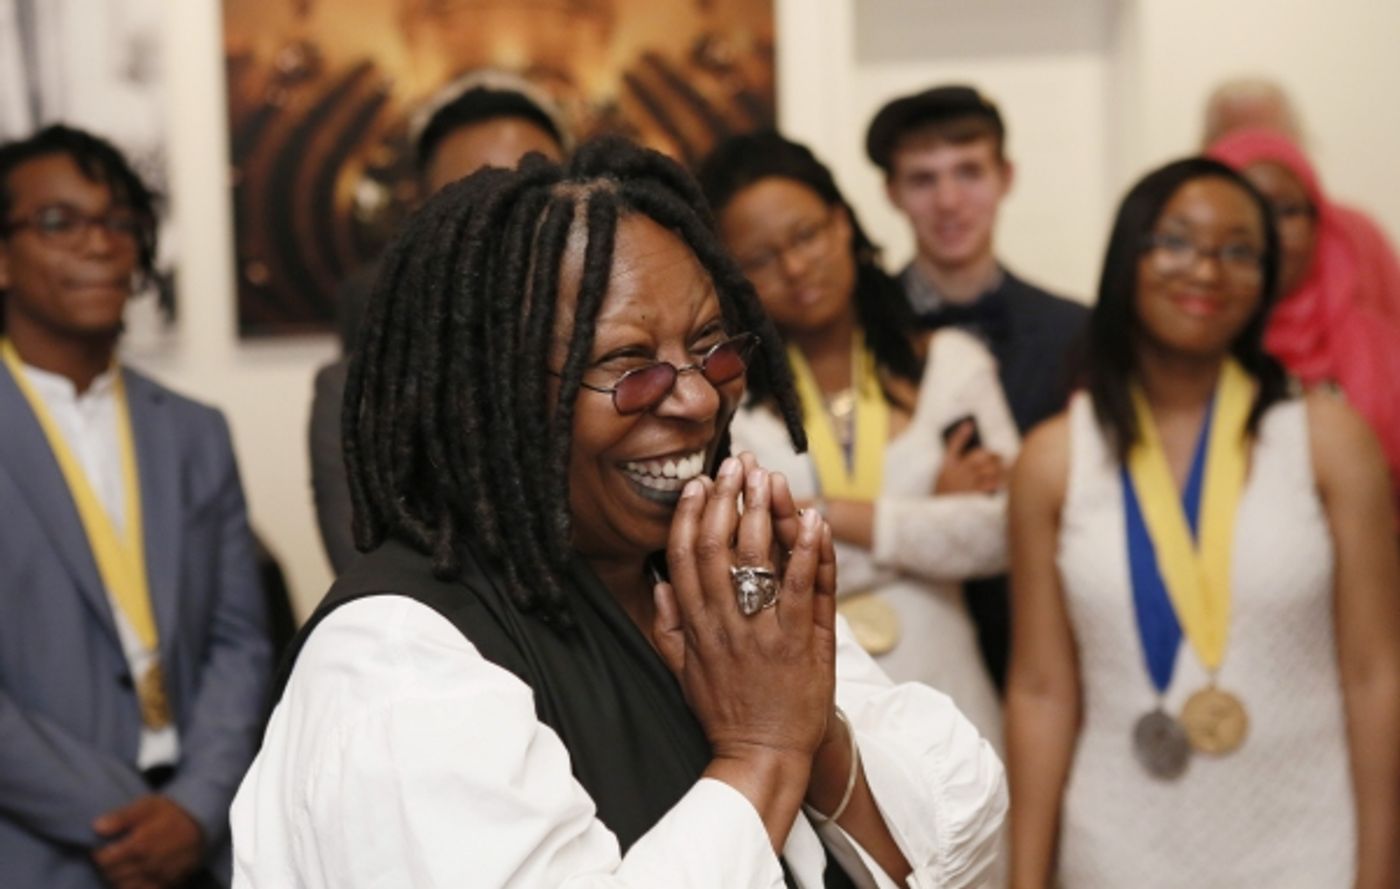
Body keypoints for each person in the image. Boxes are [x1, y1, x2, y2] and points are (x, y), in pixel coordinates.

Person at [234, 137, 1006, 887]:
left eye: (713, 349)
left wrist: (817, 735)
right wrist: (765, 752)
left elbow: (952, 834)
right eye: (630, 369)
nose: (700, 398)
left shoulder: (715, 563)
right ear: (497, 395)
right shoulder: (399, 659)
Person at [1005, 157, 1400, 888]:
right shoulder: (1053, 460)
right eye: (1177, 241)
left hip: (1307, 841)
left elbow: (1376, 672)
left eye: (1239, 250)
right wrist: (1025, 876)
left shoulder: (1327, 440)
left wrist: (1381, 867)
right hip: (1117, 844)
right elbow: (1039, 688)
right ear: (1130, 258)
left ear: (1267, 278)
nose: (1208, 270)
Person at [0, 125, 271, 887]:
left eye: (119, 221)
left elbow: (240, 643)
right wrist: (126, 813)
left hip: (199, 844)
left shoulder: (195, 430)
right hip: (37, 848)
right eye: (59, 222)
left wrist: (194, 807)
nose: (100, 245)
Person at [696, 130, 1017, 752]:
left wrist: (825, 516)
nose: (794, 267)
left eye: (806, 236)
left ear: (843, 224)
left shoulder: (952, 365)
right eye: (761, 259)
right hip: (816, 719)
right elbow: (746, 576)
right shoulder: (725, 408)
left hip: (956, 704)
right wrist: (926, 521)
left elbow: (1003, 534)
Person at [865, 84, 1087, 693]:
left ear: (1006, 176)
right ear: (891, 193)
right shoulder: (851, 335)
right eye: (922, 179)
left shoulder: (1078, 333)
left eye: (969, 172)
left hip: (1046, 632)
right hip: (904, 647)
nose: (949, 201)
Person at [309, 69, 570, 573]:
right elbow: (376, 576)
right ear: (425, 218)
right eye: (479, 200)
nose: (512, 223)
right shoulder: (358, 399)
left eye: (538, 193)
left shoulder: (625, 365)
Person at [1206, 128, 1400, 515]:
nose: (1269, 230)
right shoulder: (1188, 348)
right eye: (1247, 205)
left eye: (1288, 211)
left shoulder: (1382, 347)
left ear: (1319, 223)